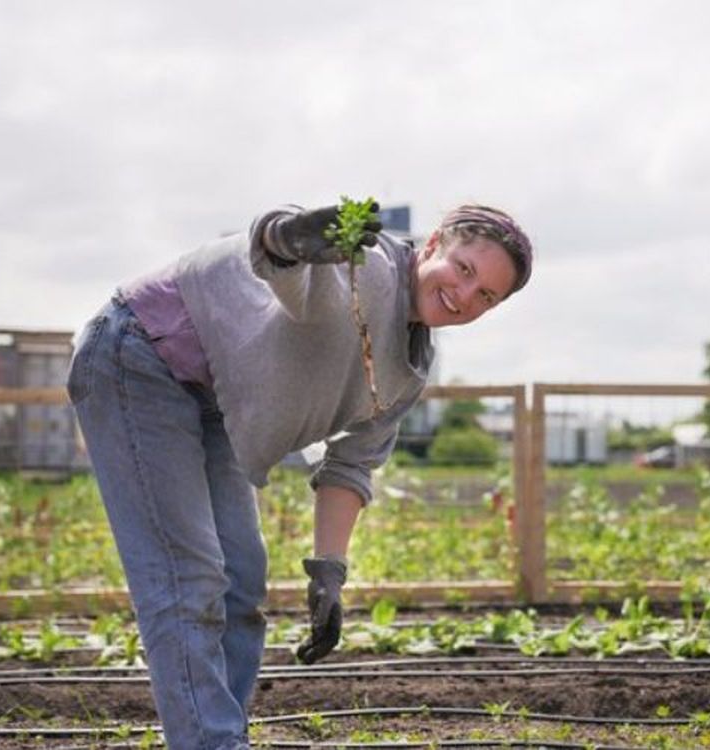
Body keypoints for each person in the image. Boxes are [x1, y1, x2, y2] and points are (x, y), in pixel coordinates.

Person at [66, 201, 532, 750]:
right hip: (138, 354)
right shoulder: (368, 270)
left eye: (486, 297)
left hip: (213, 396)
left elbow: (351, 464)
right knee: (186, 578)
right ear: (431, 246)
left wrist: (327, 575)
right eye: (464, 270)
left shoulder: (407, 369)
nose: (465, 296)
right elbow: (283, 262)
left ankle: (219, 734)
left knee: (241, 580)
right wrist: (290, 235)